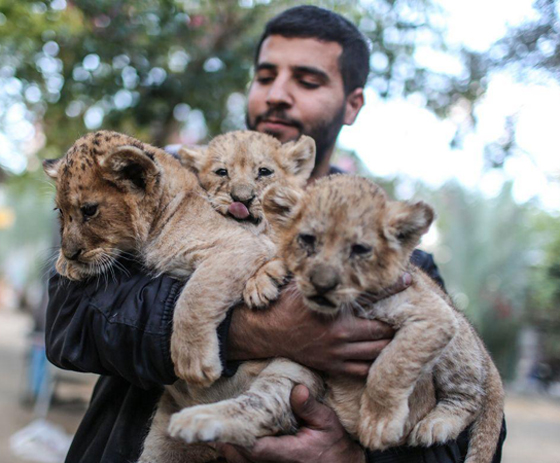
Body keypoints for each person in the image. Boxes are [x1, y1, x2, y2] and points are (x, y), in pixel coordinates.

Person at [45, 5, 504, 463]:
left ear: (352, 103)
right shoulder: (178, 188)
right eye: (265, 76)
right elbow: (69, 320)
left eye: (307, 81)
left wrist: (356, 456)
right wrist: (246, 330)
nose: (277, 94)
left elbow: (474, 419)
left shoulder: (392, 251)